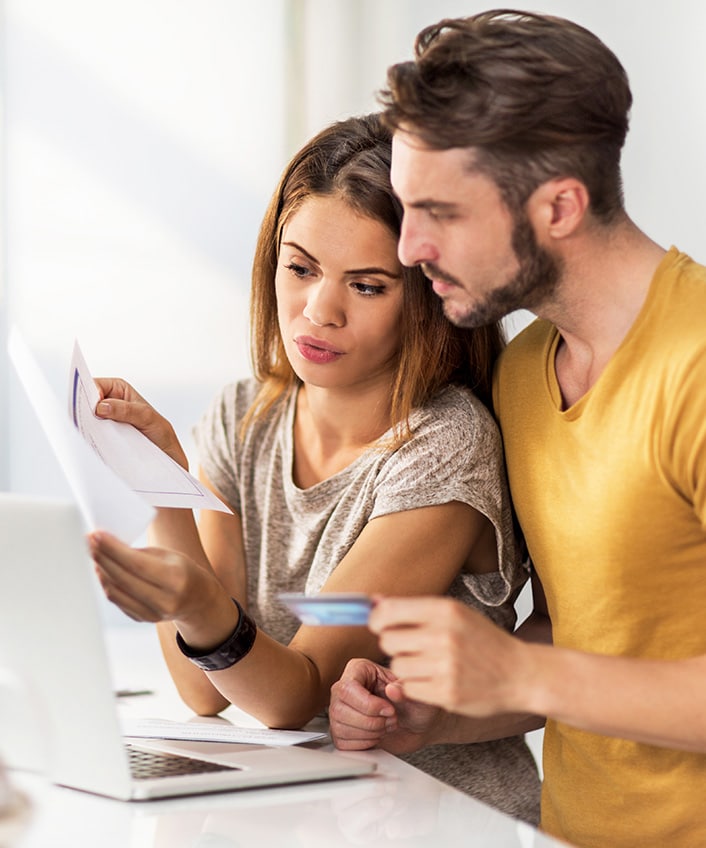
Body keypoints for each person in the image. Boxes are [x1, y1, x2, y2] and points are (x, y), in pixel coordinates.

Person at [87, 113, 540, 823]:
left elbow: (294, 698)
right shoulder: (245, 416)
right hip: (318, 816)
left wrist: (201, 605)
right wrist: (165, 487)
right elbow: (205, 688)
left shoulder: (446, 448)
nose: (318, 311)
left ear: (427, 297)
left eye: (366, 286)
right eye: (300, 268)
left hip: (446, 821)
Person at [327, 11, 706, 848]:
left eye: (440, 212)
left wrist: (519, 667)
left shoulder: (697, 367)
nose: (411, 246)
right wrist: (433, 713)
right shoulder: (522, 373)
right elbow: (583, 643)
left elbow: (545, 667)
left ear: (560, 205)